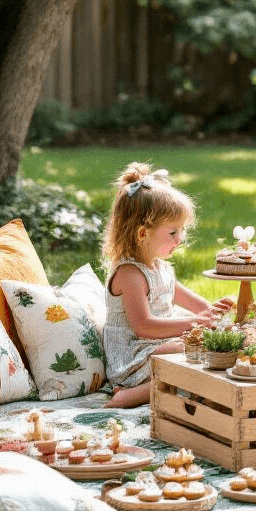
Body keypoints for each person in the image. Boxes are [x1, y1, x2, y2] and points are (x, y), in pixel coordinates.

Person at [102, 163, 233, 408]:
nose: (180, 240)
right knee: (191, 353)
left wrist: (212, 314)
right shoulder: (130, 274)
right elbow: (144, 326)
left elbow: (193, 303)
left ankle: (177, 385)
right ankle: (131, 395)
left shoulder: (160, 268)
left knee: (210, 346)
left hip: (156, 347)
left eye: (181, 231)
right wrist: (196, 323)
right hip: (133, 358)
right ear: (142, 234)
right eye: (173, 233)